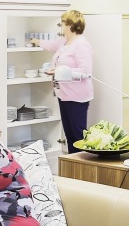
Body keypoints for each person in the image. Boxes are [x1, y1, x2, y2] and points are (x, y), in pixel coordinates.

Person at [31, 9, 94, 152]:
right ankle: (72, 164)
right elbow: (52, 45)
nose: (62, 26)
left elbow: (85, 72)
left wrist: (59, 71)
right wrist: (37, 41)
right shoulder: (65, 41)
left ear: (71, 25)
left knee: (78, 138)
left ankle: (80, 165)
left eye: (63, 23)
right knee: (70, 136)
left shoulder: (81, 44)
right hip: (64, 95)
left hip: (77, 97)